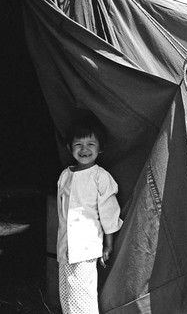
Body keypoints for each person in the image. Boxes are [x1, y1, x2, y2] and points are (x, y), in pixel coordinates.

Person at [56, 116, 123, 314]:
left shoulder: (100, 177)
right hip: (65, 247)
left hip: (86, 248)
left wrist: (108, 244)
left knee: (83, 296)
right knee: (67, 293)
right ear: (70, 148)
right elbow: (62, 214)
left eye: (90, 144)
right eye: (78, 144)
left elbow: (109, 213)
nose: (84, 149)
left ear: (100, 148)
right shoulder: (65, 176)